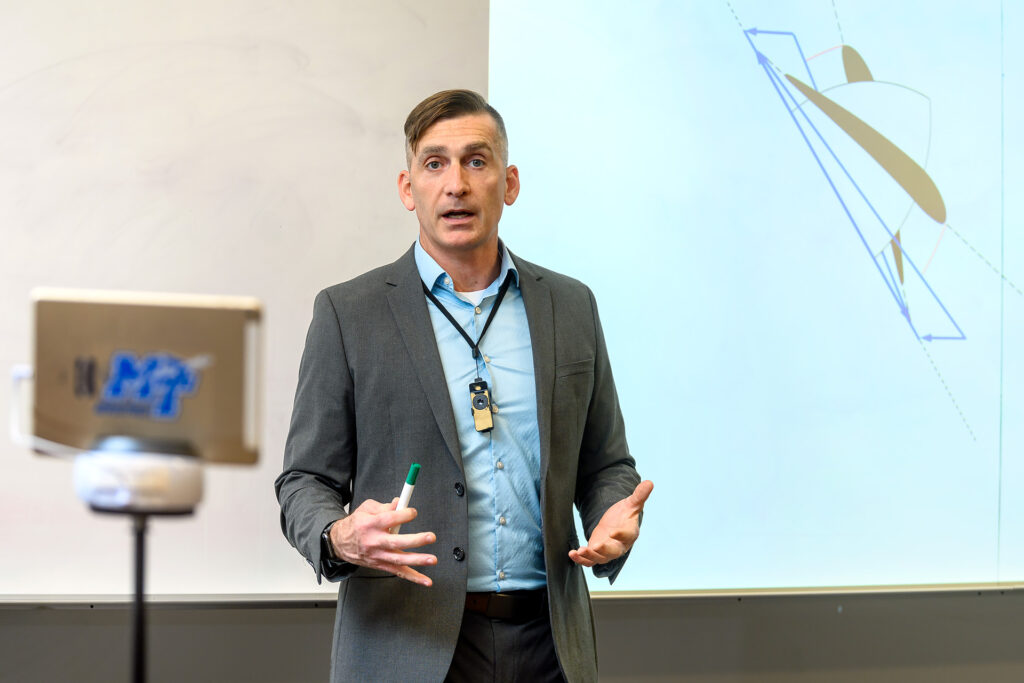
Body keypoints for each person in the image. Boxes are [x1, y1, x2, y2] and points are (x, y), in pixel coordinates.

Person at [275, 89, 653, 683]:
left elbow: (606, 465)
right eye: (435, 164)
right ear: (408, 189)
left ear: (510, 183)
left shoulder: (571, 306)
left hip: (550, 646)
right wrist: (339, 535)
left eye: (477, 161)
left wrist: (611, 515)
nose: (456, 184)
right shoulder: (349, 314)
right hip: (407, 644)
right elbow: (305, 480)